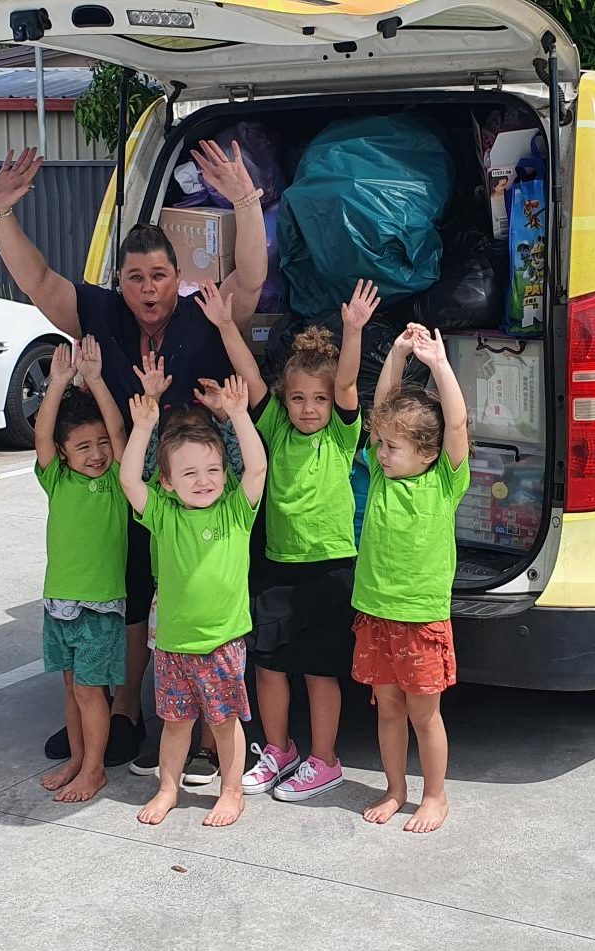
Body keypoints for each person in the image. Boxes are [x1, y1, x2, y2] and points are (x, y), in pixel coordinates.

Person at [0, 141, 267, 768]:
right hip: (130, 487)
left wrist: (245, 200)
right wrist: (0, 215)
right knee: (130, 594)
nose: (147, 288)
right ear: (121, 282)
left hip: (203, 492)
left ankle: (210, 725)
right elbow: (37, 280)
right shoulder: (101, 315)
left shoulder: (205, 313)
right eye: (135, 277)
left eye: (159, 276)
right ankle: (123, 711)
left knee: (203, 601)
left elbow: (250, 278)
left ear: (179, 278)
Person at [200, 278, 378, 801]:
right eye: (298, 397)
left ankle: (326, 760)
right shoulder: (274, 425)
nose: (307, 408)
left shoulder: (341, 434)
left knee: (322, 672)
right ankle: (279, 750)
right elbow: (253, 377)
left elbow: (347, 384)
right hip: (279, 562)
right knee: (271, 663)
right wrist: (226, 325)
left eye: (318, 399)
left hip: (331, 567)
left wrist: (353, 331)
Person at [120, 376, 266, 827]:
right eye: (189, 473)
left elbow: (257, 469)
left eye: (213, 471)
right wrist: (143, 427)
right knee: (175, 723)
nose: (204, 481)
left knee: (225, 724)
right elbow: (127, 478)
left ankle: (232, 791)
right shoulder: (162, 514)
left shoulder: (236, 511)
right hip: (173, 646)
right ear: (166, 482)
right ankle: (168, 789)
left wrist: (238, 415)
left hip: (222, 644)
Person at [351, 323, 470, 834]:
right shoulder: (380, 474)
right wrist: (398, 355)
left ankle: (435, 796)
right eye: (380, 445)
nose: (380, 453)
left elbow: (459, 425)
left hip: (420, 618)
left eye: (392, 448)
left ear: (427, 451)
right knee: (389, 710)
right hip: (376, 613)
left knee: (425, 715)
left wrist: (440, 364)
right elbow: (381, 405)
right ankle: (395, 789)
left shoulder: (446, 480)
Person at [32, 336, 130, 803]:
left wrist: (93, 378)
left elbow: (120, 430)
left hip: (99, 606)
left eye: (101, 445)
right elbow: (41, 436)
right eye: (83, 447)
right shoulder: (57, 478)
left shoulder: (115, 481)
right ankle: (77, 759)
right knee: (71, 690)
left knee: (92, 693)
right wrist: (56, 385)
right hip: (59, 603)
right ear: (64, 453)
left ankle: (94, 769)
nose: (96, 453)